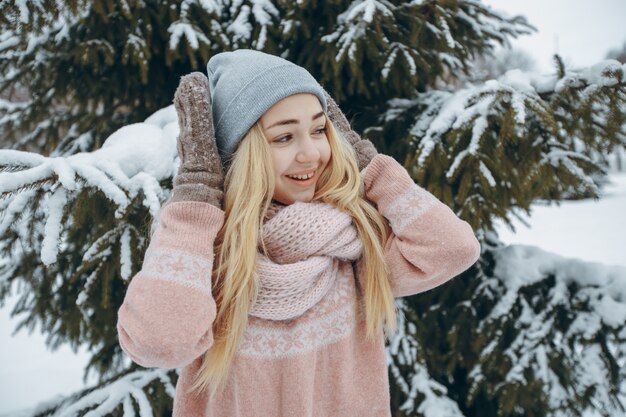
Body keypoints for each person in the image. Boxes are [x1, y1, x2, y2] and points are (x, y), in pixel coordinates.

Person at [117, 49, 481, 417]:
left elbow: (454, 248)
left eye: (320, 130)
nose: (311, 153)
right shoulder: (202, 254)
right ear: (242, 152)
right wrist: (196, 195)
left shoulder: (353, 244)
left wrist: (369, 165)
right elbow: (159, 343)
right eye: (284, 137)